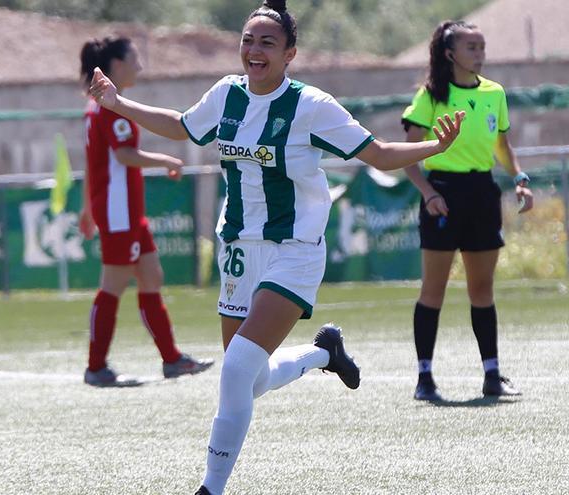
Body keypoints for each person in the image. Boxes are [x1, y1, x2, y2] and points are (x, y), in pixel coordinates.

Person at [89, 1, 463, 491]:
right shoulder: (227, 94)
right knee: (252, 377)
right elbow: (182, 126)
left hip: (294, 248)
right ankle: (322, 355)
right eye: (248, 39)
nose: (254, 49)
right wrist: (117, 103)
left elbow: (378, 153)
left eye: (267, 42)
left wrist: (435, 147)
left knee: (237, 368)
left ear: (290, 53)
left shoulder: (312, 106)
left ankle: (211, 487)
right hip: (239, 248)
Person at [400, 20, 534, 402]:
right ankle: (425, 378)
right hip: (442, 192)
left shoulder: (495, 93)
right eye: (471, 47)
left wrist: (519, 177)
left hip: (481, 193)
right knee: (433, 290)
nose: (479, 53)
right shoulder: (431, 97)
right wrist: (428, 193)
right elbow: (409, 157)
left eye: (481, 46)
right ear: (449, 54)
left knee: (482, 288)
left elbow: (503, 148)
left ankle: (492, 374)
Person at [78, 37, 214, 387]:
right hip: (118, 212)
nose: (139, 65)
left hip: (125, 212)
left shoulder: (99, 107)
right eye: (134, 58)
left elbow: (95, 164)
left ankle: (172, 359)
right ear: (117, 64)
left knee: (151, 275)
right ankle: (96, 367)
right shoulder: (108, 107)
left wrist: (86, 208)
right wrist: (165, 159)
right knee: (113, 284)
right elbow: (123, 156)